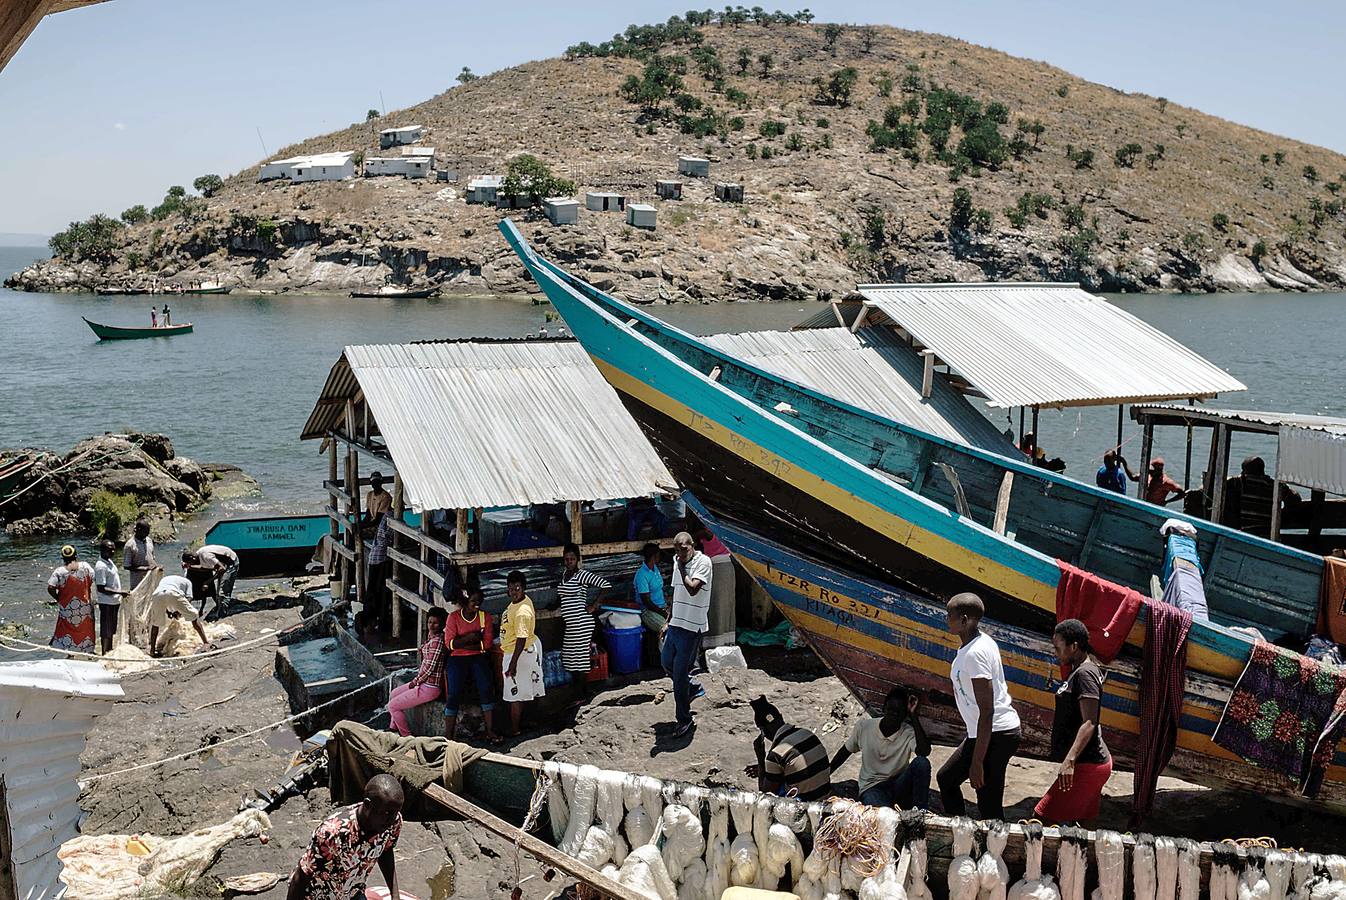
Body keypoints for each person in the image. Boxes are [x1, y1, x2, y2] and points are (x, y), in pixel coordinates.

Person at [937, 592, 1022, 821]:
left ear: (964, 620)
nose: (946, 619)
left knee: (989, 805)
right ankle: (962, 832)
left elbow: (987, 710)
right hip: (984, 731)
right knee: (947, 779)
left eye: (950, 615)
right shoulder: (978, 643)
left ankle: (993, 853)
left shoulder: (975, 653)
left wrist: (977, 762)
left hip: (997, 732)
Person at [1035, 619, 1112, 824]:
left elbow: (1090, 722)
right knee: (1068, 825)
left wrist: (1069, 761)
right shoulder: (1077, 670)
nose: (1055, 652)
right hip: (1085, 761)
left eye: (1058, 647)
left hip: (1087, 764)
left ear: (1074, 646)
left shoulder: (1085, 674)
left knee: (1041, 820)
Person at [287, 774, 403, 900]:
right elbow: (301, 877)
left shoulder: (392, 823)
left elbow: (386, 851)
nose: (392, 819)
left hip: (352, 892)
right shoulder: (333, 833)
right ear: (368, 805)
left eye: (396, 812)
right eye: (387, 813)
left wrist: (395, 895)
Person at [831, 685, 933, 810]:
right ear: (884, 709)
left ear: (904, 715)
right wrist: (826, 773)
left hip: (898, 785)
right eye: (891, 709)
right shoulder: (864, 727)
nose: (894, 714)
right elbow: (846, 751)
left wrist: (913, 716)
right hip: (872, 787)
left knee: (922, 763)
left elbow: (924, 752)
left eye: (899, 712)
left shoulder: (908, 732)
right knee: (885, 818)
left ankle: (921, 812)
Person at [662, 531, 712, 738]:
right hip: (676, 623)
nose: (680, 554)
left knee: (680, 675)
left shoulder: (704, 562)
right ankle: (692, 688)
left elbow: (692, 588)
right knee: (666, 663)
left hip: (692, 627)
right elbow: (677, 591)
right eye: (677, 551)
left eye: (683, 550)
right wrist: (668, 620)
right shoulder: (677, 562)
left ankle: (684, 720)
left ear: (692, 545)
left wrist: (682, 567)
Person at [442, 588, 500, 743]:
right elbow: (449, 644)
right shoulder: (453, 617)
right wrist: (471, 638)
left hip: (477, 656)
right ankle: (448, 735)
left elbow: (486, 644)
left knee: (486, 687)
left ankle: (490, 731)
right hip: (457, 658)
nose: (477, 604)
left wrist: (464, 643)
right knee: (453, 692)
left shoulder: (484, 617)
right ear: (465, 603)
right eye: (473, 601)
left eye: (479, 601)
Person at [747, 696, 831, 801]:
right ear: (781, 717)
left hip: (806, 807)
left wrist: (761, 758)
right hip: (826, 796)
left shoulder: (775, 754)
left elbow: (765, 796)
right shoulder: (807, 734)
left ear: (763, 730)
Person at [386, 607, 447, 737]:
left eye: (435, 623)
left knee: (393, 706)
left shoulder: (438, 641)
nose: (432, 625)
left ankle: (406, 737)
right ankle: (393, 729)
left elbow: (429, 668)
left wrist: (415, 681)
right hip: (423, 684)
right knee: (393, 694)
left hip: (430, 687)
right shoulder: (432, 637)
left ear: (441, 624)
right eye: (430, 622)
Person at [557, 543, 612, 682]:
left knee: (579, 660)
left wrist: (594, 605)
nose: (569, 562)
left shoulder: (582, 575)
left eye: (572, 559)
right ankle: (578, 692)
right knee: (570, 657)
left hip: (581, 623)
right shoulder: (565, 574)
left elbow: (606, 586)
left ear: (578, 559)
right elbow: (563, 596)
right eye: (566, 559)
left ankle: (582, 693)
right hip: (571, 624)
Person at [500, 570, 545, 736]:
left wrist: (513, 664)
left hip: (519, 652)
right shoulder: (519, 603)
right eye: (511, 589)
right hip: (522, 649)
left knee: (515, 694)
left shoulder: (522, 611)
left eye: (517, 588)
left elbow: (521, 638)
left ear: (524, 588)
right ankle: (530, 721)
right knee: (529, 688)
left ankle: (514, 729)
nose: (513, 592)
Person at [1223, 455, 1299, 537]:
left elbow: (1222, 484)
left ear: (1245, 471)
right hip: (1268, 535)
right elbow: (1295, 499)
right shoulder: (1275, 485)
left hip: (1246, 532)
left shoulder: (1240, 482)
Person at [146, 572, 211, 656]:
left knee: (156, 623)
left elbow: (164, 596)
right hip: (172, 592)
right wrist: (179, 611)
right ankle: (206, 642)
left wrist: (169, 611)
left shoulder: (166, 579)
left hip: (156, 595)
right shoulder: (188, 582)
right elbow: (189, 598)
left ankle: (152, 650)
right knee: (194, 616)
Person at [48, 544, 96, 654]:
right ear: (76, 555)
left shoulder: (59, 572)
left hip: (67, 608)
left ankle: (69, 651)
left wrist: (58, 598)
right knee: (86, 628)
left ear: (63, 557)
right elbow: (94, 578)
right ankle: (88, 650)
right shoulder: (85, 566)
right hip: (85, 607)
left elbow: (50, 587)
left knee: (67, 629)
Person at [93, 539, 128, 655]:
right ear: (102, 550)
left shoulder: (109, 562)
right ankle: (104, 654)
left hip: (114, 602)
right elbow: (101, 588)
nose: (113, 551)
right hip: (106, 602)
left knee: (112, 630)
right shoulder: (100, 566)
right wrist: (119, 592)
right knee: (106, 631)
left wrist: (118, 594)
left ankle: (110, 651)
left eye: (113, 549)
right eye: (109, 549)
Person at [632, 542, 667, 634]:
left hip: (661, 607)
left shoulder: (655, 568)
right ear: (653, 557)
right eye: (658, 554)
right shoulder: (642, 575)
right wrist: (662, 613)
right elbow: (646, 602)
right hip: (647, 611)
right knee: (666, 628)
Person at [182, 550, 222, 620]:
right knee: (192, 595)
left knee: (209, 593)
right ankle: (188, 612)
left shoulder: (203, 558)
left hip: (205, 576)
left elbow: (209, 569)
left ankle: (219, 607)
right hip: (196, 577)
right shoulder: (191, 565)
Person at [123, 519, 156, 590]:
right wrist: (144, 568)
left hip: (150, 582)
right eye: (146, 531)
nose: (147, 534)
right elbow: (127, 566)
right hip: (137, 584)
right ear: (138, 530)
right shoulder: (130, 545)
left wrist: (156, 567)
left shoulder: (149, 541)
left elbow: (153, 559)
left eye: (148, 531)